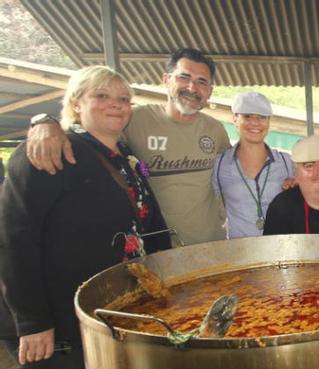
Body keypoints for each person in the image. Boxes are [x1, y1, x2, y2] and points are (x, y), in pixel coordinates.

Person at [0, 66, 171, 369]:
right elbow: (14, 240)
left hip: (101, 314)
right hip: (52, 321)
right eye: (102, 96)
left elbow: (149, 229)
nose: (116, 104)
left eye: (123, 99)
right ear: (76, 102)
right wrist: (32, 321)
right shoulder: (50, 152)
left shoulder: (125, 159)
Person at [26, 48, 230, 246]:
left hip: (210, 243)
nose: (192, 88)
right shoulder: (134, 119)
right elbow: (87, 129)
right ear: (166, 80)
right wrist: (45, 122)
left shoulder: (215, 129)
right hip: (157, 249)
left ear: (210, 91)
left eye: (202, 82)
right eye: (183, 77)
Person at [212, 91, 293, 238]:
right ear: (235, 119)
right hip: (240, 252)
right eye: (247, 116)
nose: (255, 123)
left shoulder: (286, 162)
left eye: (262, 117)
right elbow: (206, 204)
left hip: (281, 248)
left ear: (269, 122)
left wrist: (296, 188)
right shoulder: (219, 165)